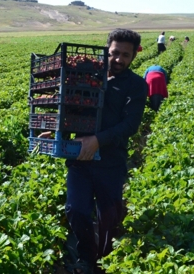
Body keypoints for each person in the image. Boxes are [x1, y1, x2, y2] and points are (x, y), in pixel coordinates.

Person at [66, 28, 148, 273]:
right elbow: (72, 108)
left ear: (134, 56)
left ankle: (106, 261)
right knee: (76, 209)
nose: (118, 59)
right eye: (114, 53)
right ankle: (86, 258)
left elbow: (129, 125)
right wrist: (59, 129)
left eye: (125, 55)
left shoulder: (136, 86)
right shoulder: (88, 78)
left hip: (111, 161)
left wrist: (98, 140)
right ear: (106, 51)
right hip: (80, 158)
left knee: (109, 218)